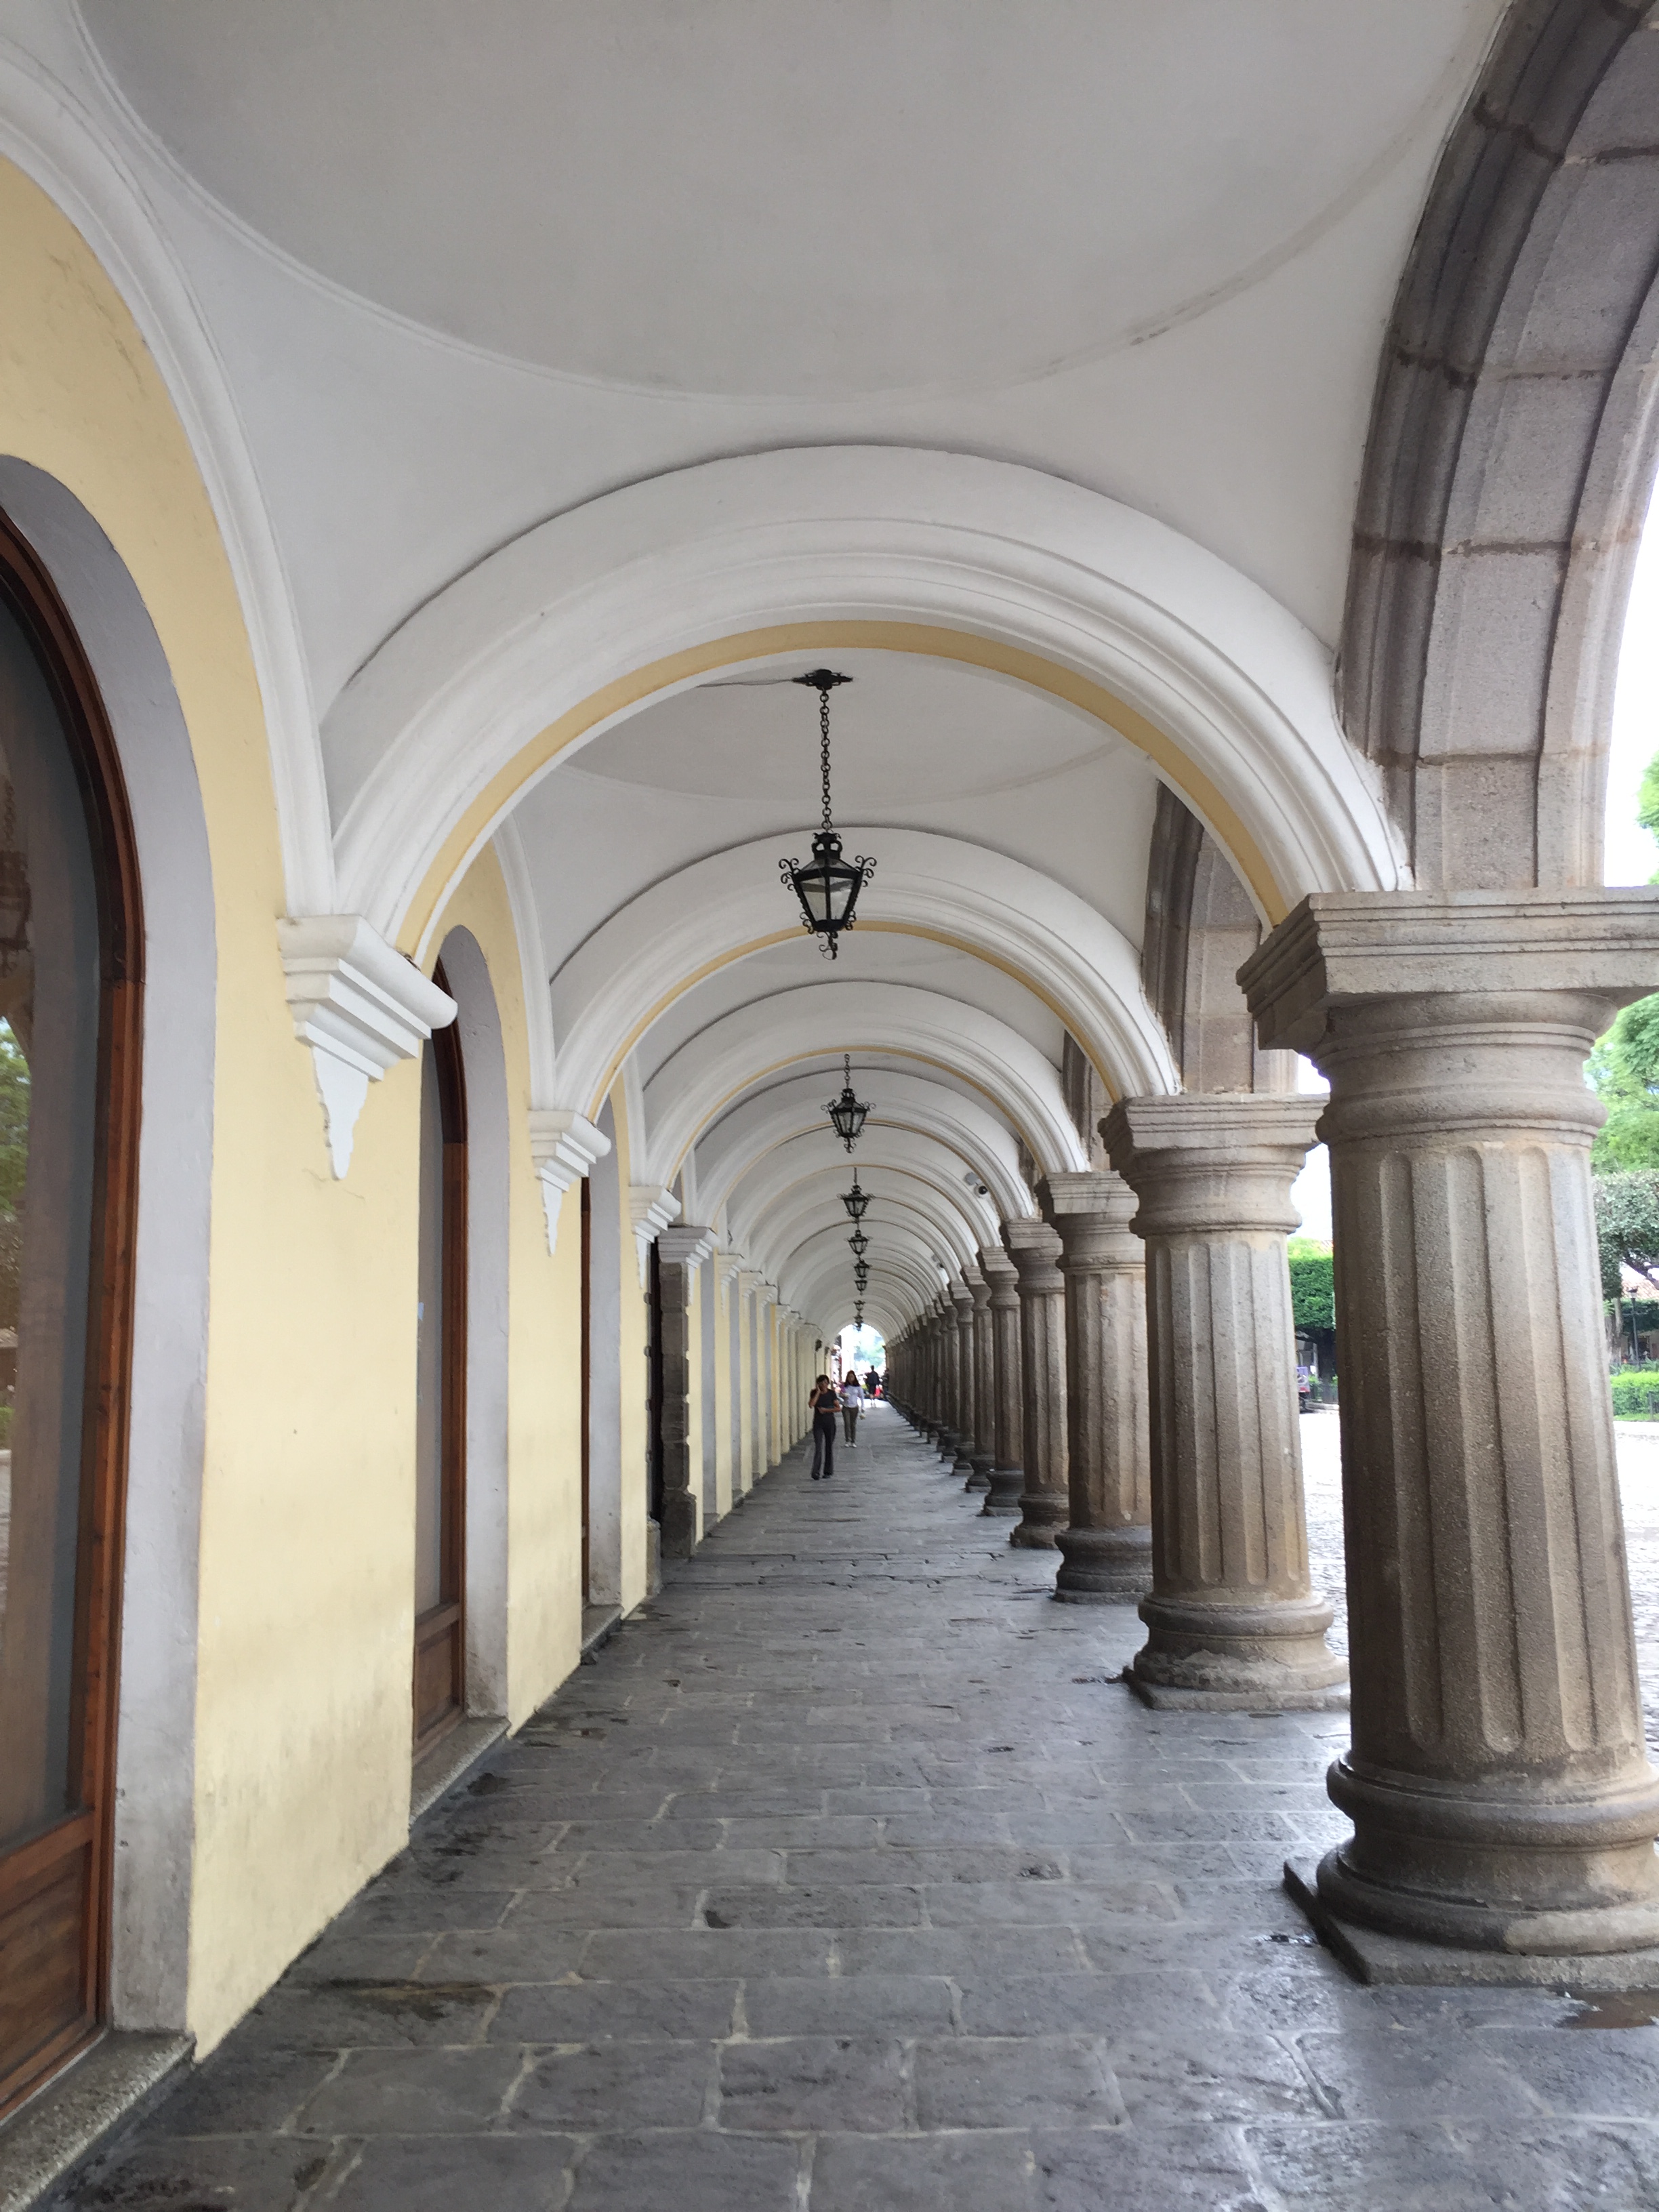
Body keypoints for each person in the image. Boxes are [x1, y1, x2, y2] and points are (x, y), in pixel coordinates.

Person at [808, 1374, 840, 1480]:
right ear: (818, 1384)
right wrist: (818, 1392)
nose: (823, 1385)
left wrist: (826, 1410)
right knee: (818, 1447)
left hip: (830, 1423)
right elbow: (811, 1404)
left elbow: (838, 1408)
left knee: (829, 1446)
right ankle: (816, 1472)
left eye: (825, 1383)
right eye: (821, 1383)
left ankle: (828, 1471)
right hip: (818, 1423)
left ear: (828, 1384)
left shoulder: (831, 1394)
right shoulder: (814, 1392)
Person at [840, 1371, 865, 1446]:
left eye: (852, 1377)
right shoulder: (845, 1386)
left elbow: (862, 1396)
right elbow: (841, 1394)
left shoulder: (858, 1387)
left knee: (853, 1424)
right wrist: (843, 1395)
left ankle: (853, 1441)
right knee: (847, 1424)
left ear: (854, 1378)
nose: (850, 1378)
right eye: (849, 1377)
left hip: (854, 1407)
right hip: (846, 1407)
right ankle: (847, 1440)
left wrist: (863, 1406)